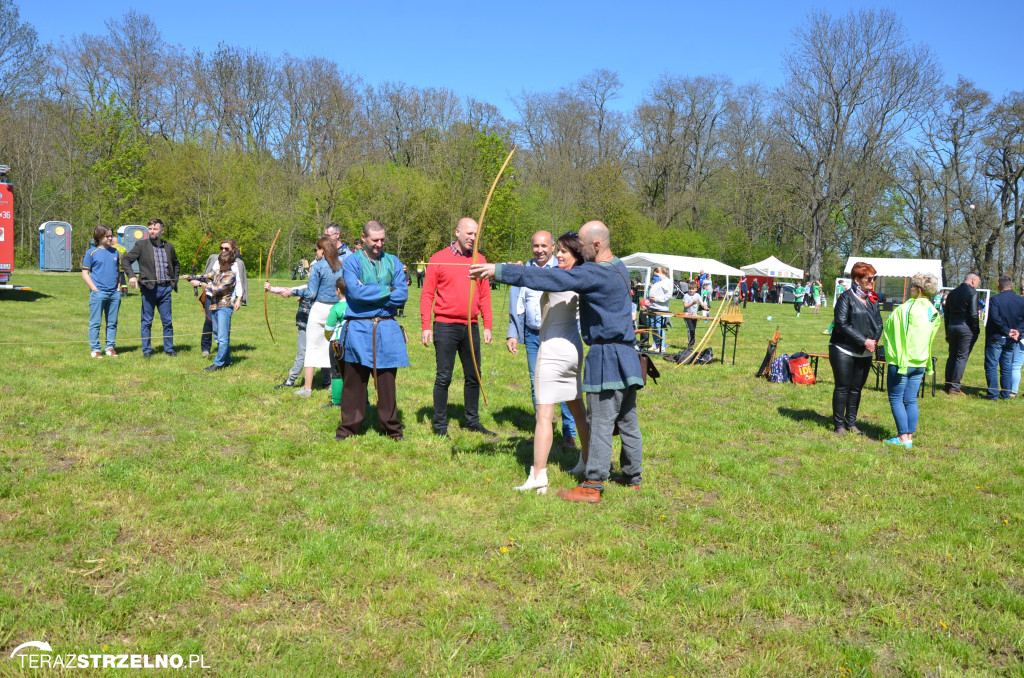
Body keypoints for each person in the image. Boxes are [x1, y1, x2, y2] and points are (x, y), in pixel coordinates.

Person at [471, 220, 644, 504]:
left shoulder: (596, 273)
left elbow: (552, 279)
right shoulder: (619, 266)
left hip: (608, 357)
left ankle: (593, 484)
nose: (579, 251)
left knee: (600, 422)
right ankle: (632, 477)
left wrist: (498, 270)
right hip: (629, 356)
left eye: (584, 246)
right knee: (627, 420)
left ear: (597, 246)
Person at [514, 232, 592, 493]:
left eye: (563, 252)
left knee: (544, 415)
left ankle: (539, 474)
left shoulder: (563, 277)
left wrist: (507, 272)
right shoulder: (583, 277)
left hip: (552, 350)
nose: (557, 255)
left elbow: (536, 277)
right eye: (557, 250)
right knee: (578, 409)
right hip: (572, 349)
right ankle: (587, 461)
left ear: (576, 256)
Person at [421, 217, 495, 438]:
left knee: (474, 375)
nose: (473, 238)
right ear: (457, 232)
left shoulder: (479, 259)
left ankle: (472, 422)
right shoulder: (438, 259)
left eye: (475, 234)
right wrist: (426, 326)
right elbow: (426, 294)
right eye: (469, 233)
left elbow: (484, 295)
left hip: (470, 327)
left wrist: (487, 324)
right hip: (445, 325)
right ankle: (440, 426)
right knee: (444, 376)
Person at [336, 220, 409, 440]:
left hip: (386, 328)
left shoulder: (393, 261)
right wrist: (388, 290)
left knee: (387, 383)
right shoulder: (351, 262)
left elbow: (402, 295)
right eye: (375, 240)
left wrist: (369, 291)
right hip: (358, 328)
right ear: (364, 238)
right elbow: (355, 295)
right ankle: (349, 429)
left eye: (382, 240)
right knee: (354, 384)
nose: (379, 244)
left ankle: (392, 429)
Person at [506, 230, 578, 448]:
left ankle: (569, 433)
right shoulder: (523, 272)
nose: (539, 250)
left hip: (558, 334)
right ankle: (541, 430)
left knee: (564, 382)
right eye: (536, 246)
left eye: (544, 246)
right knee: (536, 384)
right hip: (532, 334)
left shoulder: (563, 268)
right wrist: (513, 332)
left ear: (553, 246)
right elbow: (516, 303)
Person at [881, 273, 942, 448]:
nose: (909, 290)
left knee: (896, 398)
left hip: (902, 361)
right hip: (920, 361)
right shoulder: (933, 310)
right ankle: (909, 435)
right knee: (911, 399)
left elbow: (889, 329)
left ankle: (903, 437)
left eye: (912, 287)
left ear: (919, 289)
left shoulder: (906, 308)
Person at [829, 262, 882, 435]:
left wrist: (873, 341)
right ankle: (839, 426)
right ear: (857, 280)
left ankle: (851, 423)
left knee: (856, 389)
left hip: (865, 351)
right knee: (843, 387)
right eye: (868, 278)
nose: (871, 282)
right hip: (843, 349)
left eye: (873, 278)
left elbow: (879, 323)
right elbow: (841, 324)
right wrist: (863, 340)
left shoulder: (872, 300)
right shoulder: (846, 297)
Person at [289, 237, 343, 397]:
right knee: (334, 347)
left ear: (323, 250)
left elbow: (311, 293)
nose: (316, 252)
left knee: (312, 348)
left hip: (319, 309)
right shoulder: (342, 266)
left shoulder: (318, 266)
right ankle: (334, 386)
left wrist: (294, 291)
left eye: (317, 249)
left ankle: (307, 388)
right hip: (337, 309)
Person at [121, 218, 180, 358]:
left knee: (167, 321)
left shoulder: (169, 247)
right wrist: (131, 276)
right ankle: (147, 351)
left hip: (165, 289)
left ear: (162, 231)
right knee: (147, 321)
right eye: (150, 229)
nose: (152, 231)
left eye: (155, 229)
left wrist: (174, 282)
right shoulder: (141, 245)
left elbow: (176, 265)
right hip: (149, 289)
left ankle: (169, 349)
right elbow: (126, 260)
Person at [182, 251, 236, 371]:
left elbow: (217, 289)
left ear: (231, 264)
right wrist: (191, 277)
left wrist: (200, 284)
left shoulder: (230, 275)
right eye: (220, 263)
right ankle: (227, 361)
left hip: (224, 308)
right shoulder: (218, 271)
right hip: (214, 307)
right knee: (217, 336)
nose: (220, 266)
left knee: (222, 338)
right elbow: (205, 276)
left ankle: (218, 363)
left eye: (223, 264)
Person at [199, 238, 248, 358]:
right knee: (209, 321)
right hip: (211, 295)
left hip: (226, 300)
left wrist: (239, 299)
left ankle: (223, 351)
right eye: (221, 248)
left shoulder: (237, 264)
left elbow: (240, 282)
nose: (223, 250)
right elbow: (207, 275)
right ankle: (206, 348)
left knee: (223, 325)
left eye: (226, 248)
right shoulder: (214, 259)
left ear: (233, 249)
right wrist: (193, 278)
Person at [81, 225, 122, 358]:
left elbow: (118, 271)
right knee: (95, 323)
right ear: (99, 237)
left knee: (112, 322)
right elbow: (85, 273)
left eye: (111, 235)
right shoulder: (91, 252)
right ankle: (95, 350)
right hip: (99, 293)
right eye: (107, 236)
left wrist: (118, 287)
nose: (111, 238)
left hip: (114, 293)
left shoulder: (115, 252)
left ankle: (110, 348)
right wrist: (95, 289)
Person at [983, 273, 1024, 400]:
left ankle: (993, 394)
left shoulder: (995, 300)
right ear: (1012, 285)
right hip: (1012, 338)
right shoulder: (1021, 300)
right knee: (1007, 366)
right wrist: (1019, 332)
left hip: (997, 336)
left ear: (998, 284)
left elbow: (995, 318)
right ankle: (1005, 394)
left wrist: (1008, 331)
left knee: (992, 366)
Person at [943, 273, 981, 395]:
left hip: (952, 326)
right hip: (965, 328)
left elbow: (946, 314)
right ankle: (954, 387)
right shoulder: (973, 293)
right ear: (974, 280)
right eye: (978, 282)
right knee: (961, 357)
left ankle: (948, 384)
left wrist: (947, 331)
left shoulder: (952, 293)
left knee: (952, 355)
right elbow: (974, 314)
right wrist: (976, 329)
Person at [323, 277, 348, 409]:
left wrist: (329, 338)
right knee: (356, 372)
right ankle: (363, 401)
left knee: (337, 371)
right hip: (354, 342)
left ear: (338, 290)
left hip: (337, 343)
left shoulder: (336, 308)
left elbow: (328, 329)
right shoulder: (356, 305)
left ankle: (337, 401)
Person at [647, 266, 673, 352]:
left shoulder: (667, 282)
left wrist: (657, 299)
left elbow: (668, 296)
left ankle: (662, 346)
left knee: (659, 327)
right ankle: (655, 344)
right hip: (652, 307)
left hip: (661, 308)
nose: (655, 276)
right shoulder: (656, 282)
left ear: (662, 272)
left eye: (657, 274)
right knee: (653, 326)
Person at [681, 281, 707, 348]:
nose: (691, 290)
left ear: (696, 289)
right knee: (690, 329)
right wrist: (692, 303)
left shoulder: (697, 295)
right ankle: (690, 344)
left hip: (694, 315)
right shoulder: (686, 296)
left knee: (693, 329)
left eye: (692, 289)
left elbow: (701, 303)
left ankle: (692, 342)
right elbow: (685, 306)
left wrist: (704, 306)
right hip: (687, 315)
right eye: (690, 289)